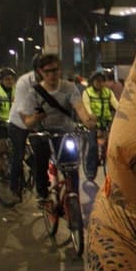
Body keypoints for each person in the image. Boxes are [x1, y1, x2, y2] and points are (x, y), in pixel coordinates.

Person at [16, 54, 96, 204]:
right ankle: (42, 194)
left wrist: (87, 121)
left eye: (55, 70)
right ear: (40, 72)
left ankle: (74, 196)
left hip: (65, 132)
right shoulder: (34, 92)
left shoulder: (69, 87)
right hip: (43, 133)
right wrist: (35, 118)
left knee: (72, 165)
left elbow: (79, 107)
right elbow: (27, 121)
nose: (52, 74)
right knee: (40, 159)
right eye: (47, 71)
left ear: (60, 70)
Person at [7, 57, 42, 199]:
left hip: (35, 122)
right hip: (18, 123)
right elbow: (23, 109)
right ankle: (15, 186)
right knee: (18, 155)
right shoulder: (24, 82)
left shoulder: (53, 82)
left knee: (42, 154)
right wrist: (32, 122)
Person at [82, 71, 119, 181]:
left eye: (102, 81)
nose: (100, 83)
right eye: (97, 81)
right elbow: (86, 105)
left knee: (114, 146)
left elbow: (116, 104)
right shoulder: (87, 92)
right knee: (93, 146)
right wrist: (90, 114)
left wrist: (123, 111)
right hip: (93, 124)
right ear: (92, 81)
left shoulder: (108, 92)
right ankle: (90, 170)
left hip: (106, 123)